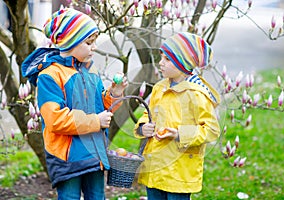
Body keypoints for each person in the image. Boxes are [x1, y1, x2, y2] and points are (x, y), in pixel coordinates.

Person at [21, 8, 128, 200]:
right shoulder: (50, 76)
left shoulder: (89, 69)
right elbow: (56, 120)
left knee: (97, 196)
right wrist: (95, 121)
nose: (94, 47)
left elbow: (100, 105)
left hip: (93, 153)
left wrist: (114, 94)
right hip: (68, 157)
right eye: (89, 42)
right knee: (69, 196)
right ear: (70, 42)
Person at [134, 32, 221, 200]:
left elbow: (211, 129)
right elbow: (148, 113)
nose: (161, 63)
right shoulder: (160, 87)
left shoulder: (196, 93)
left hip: (179, 171)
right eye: (161, 58)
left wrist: (179, 134)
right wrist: (144, 127)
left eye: (167, 59)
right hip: (155, 167)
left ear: (183, 63)